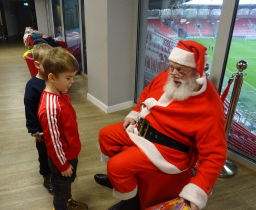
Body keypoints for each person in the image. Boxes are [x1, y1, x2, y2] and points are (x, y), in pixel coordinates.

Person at [94, 40, 227, 210]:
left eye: (180, 70)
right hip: (141, 128)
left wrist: (198, 191)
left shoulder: (210, 107)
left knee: (116, 166)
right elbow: (146, 94)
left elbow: (215, 155)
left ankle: (132, 199)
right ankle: (119, 182)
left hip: (167, 151)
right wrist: (134, 114)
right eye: (171, 67)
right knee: (106, 135)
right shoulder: (167, 75)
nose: (173, 73)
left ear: (196, 71)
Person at [38, 47, 88, 210]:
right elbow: (52, 141)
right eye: (68, 78)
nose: (72, 82)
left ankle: (68, 201)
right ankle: (62, 206)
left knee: (67, 184)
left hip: (70, 152)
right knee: (60, 189)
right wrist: (63, 165)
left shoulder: (61, 93)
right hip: (62, 158)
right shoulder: (50, 107)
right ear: (52, 77)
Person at [24, 43, 53, 194]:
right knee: (44, 152)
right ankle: (46, 175)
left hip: (55, 126)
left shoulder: (53, 80)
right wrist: (34, 130)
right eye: (49, 65)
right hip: (42, 130)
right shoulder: (32, 86)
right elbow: (29, 109)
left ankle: (58, 166)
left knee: (56, 148)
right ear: (37, 64)